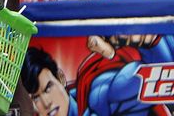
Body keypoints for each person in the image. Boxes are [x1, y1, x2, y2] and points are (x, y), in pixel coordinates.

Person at [22, 36, 174, 116]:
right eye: (36, 97)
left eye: (48, 88)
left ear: (61, 78)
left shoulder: (97, 96)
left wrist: (153, 43)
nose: (46, 103)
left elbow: (139, 78)